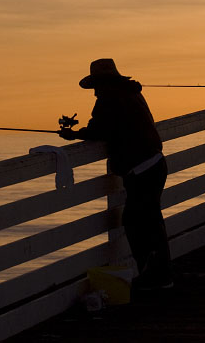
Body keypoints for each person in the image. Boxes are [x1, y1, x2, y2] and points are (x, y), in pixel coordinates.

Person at [59, 58, 172, 290]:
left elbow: (99, 130)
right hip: (155, 163)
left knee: (136, 222)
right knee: (151, 221)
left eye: (96, 87)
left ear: (104, 83)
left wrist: (72, 135)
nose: (95, 93)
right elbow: (112, 128)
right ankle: (160, 276)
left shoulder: (109, 99)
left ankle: (155, 277)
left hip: (141, 169)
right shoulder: (131, 93)